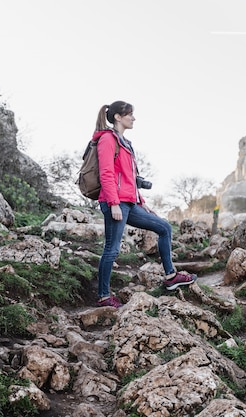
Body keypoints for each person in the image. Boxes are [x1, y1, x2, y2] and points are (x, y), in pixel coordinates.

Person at [93, 100, 197, 308]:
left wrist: (141, 201)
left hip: (130, 203)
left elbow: (130, 177)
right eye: (129, 114)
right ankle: (104, 296)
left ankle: (170, 277)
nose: (133, 118)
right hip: (115, 203)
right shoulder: (107, 139)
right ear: (117, 117)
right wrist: (113, 203)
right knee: (112, 249)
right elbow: (106, 173)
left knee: (164, 227)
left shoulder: (126, 143)